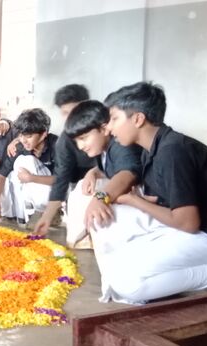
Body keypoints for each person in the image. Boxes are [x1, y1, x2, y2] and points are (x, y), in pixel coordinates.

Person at [92, 82, 207, 304]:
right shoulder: (153, 148)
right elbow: (168, 200)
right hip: (189, 225)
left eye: (114, 119)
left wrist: (136, 201)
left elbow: (188, 222)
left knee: (126, 284)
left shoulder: (173, 151)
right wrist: (136, 200)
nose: (109, 128)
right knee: (109, 238)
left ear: (138, 119)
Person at [55, 100, 142, 248]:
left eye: (83, 138)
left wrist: (100, 198)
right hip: (129, 198)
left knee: (96, 210)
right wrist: (93, 172)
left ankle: (87, 241)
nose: (80, 146)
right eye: (76, 141)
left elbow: (127, 174)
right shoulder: (103, 149)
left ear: (104, 129)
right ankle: (81, 242)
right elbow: (110, 167)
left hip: (147, 205)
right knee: (81, 189)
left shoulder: (119, 143)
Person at [31, 84, 99, 242]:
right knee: (76, 233)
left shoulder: (107, 130)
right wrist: (47, 217)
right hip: (80, 187)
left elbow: (123, 169)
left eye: (74, 111)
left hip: (111, 185)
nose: (70, 118)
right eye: (65, 113)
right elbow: (61, 178)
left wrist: (95, 172)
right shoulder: (64, 141)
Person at [0, 109, 58, 223]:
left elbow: (63, 179)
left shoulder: (57, 145)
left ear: (43, 134)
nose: (23, 140)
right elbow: (1, 176)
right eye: (20, 135)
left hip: (57, 192)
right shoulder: (19, 146)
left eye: (28, 136)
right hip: (34, 193)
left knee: (27, 161)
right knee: (16, 168)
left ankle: (51, 212)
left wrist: (31, 178)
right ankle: (23, 216)